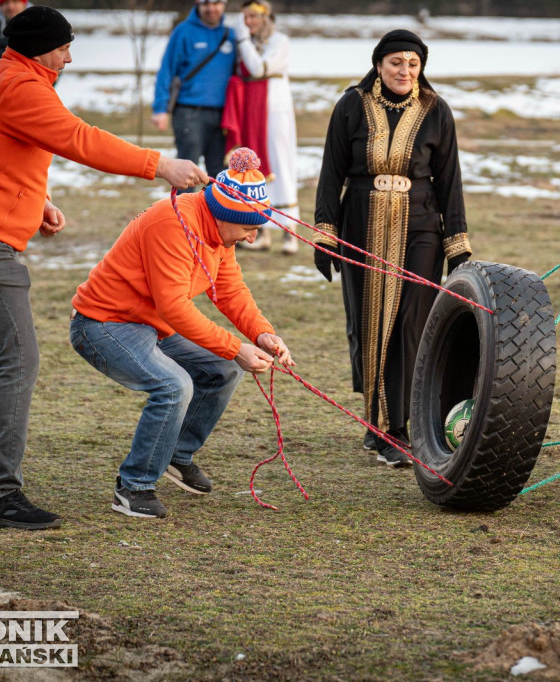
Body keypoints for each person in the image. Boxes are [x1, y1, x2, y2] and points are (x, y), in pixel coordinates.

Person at [0, 6, 207, 531]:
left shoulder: (4, 76)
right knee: (17, 359)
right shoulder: (20, 86)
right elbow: (79, 138)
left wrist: (37, 199)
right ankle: (0, 495)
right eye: (62, 46)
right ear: (38, 47)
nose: (70, 55)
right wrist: (158, 164)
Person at [71, 148, 293, 518]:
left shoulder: (220, 235)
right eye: (249, 229)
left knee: (223, 369)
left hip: (151, 324)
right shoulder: (175, 224)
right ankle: (134, 487)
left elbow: (230, 290)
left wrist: (261, 334)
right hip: (103, 323)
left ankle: (176, 454)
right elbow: (174, 306)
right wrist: (233, 345)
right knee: (173, 386)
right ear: (225, 216)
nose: (253, 239)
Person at [313, 30, 470, 468]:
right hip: (360, 222)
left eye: (413, 63)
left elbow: (450, 180)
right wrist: (324, 234)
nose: (405, 71)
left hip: (421, 225)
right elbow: (330, 172)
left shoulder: (436, 111)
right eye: (396, 62)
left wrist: (457, 242)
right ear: (379, 64)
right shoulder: (351, 106)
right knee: (369, 323)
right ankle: (376, 423)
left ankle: (399, 428)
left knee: (410, 322)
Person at [224, 0, 300, 254]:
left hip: (274, 109)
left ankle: (290, 232)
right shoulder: (244, 45)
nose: (249, 22)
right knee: (255, 167)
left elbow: (258, 67)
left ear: (265, 17)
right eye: (245, 17)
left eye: (253, 16)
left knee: (279, 163)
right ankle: (261, 230)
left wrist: (243, 39)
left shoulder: (280, 41)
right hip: (251, 111)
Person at [152, 0, 236, 180]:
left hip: (223, 117)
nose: (211, 8)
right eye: (206, 3)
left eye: (216, 3)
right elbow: (167, 70)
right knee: (187, 174)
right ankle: (185, 208)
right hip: (189, 113)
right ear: (198, 4)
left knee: (221, 176)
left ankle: (216, 208)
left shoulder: (231, 35)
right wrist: (160, 108)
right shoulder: (183, 32)